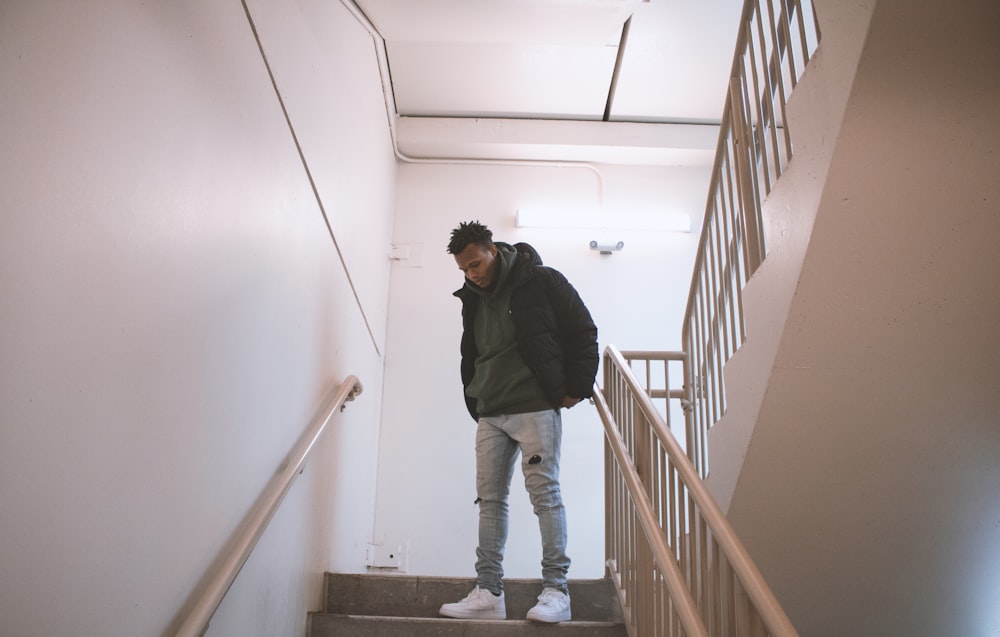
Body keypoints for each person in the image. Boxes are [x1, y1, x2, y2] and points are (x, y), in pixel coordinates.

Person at [438, 221, 599, 624]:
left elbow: (583, 330)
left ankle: (556, 591)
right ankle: (489, 592)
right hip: (491, 409)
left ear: (493, 248)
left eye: (475, 263)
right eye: (464, 270)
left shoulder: (541, 280)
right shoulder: (472, 297)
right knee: (489, 502)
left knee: (544, 496)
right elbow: (475, 349)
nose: (472, 274)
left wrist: (575, 387)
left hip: (535, 405)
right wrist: (475, 395)